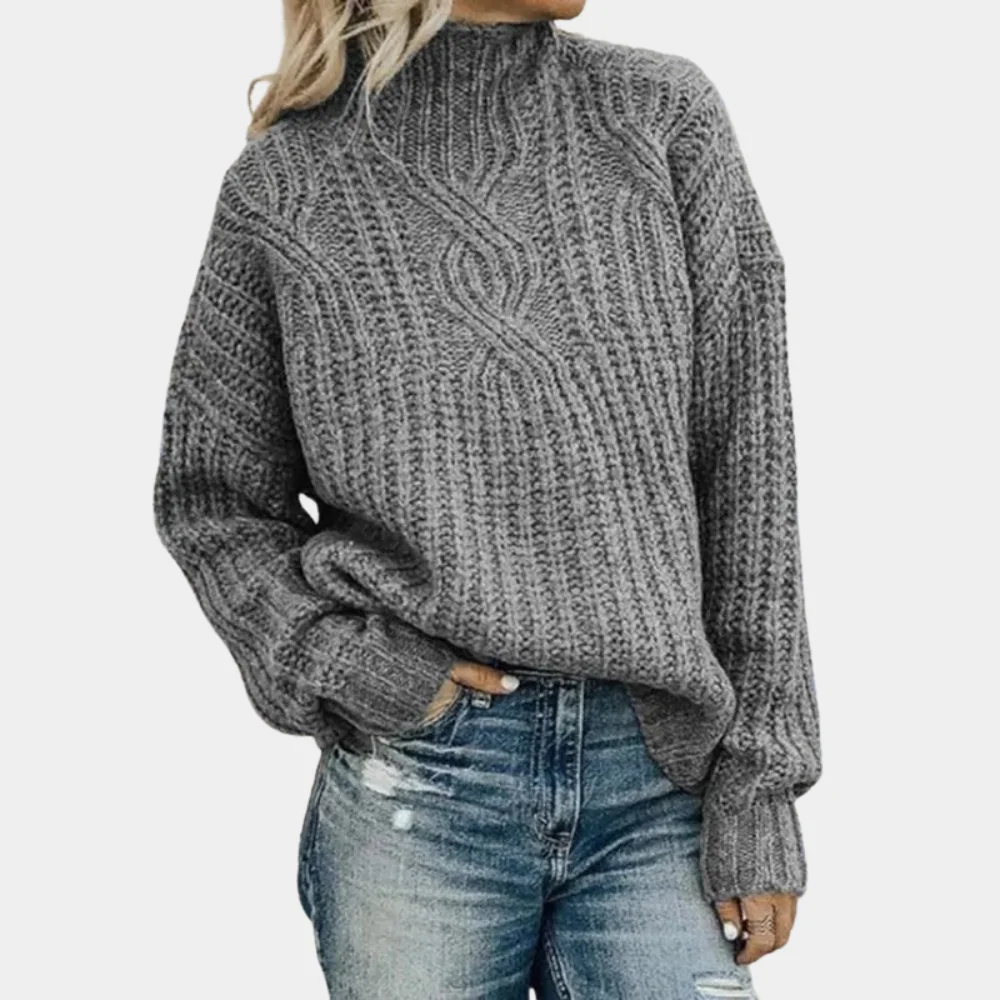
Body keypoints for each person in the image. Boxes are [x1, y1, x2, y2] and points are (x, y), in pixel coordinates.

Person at [152, 0, 822, 995]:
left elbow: (749, 466)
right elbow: (213, 501)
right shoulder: (288, 183)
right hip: (425, 785)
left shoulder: (659, 115)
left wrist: (760, 784)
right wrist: (346, 662)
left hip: (657, 776)